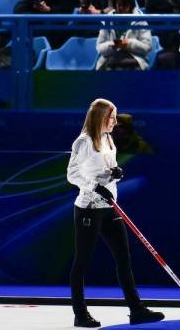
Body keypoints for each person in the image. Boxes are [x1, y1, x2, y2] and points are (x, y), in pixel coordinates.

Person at [66, 98, 166, 328]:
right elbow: (72, 174)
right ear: (100, 117)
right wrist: (93, 186)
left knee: (123, 258)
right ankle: (80, 314)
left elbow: (104, 169)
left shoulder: (108, 138)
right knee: (82, 261)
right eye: (111, 117)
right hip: (89, 208)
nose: (115, 121)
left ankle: (136, 309)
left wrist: (113, 173)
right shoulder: (84, 141)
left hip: (110, 206)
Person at [96, 0, 152, 71]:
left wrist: (128, 43)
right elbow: (100, 47)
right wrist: (113, 45)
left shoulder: (140, 20)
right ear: (115, 5)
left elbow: (147, 47)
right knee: (112, 64)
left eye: (125, 5)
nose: (121, 8)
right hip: (110, 58)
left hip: (134, 58)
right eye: (119, 5)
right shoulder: (107, 20)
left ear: (131, 6)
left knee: (123, 65)